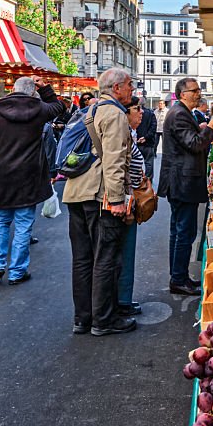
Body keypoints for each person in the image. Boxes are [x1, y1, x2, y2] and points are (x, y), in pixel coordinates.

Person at [62, 68, 138, 336]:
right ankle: (103, 320)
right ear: (116, 88)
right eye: (129, 85)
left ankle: (82, 318)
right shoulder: (115, 114)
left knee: (82, 260)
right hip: (99, 194)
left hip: (75, 192)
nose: (132, 89)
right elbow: (114, 160)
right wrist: (117, 199)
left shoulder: (90, 111)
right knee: (105, 257)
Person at [0, 76, 64, 286]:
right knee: (23, 224)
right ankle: (17, 271)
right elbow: (58, 106)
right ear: (32, 92)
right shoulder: (39, 110)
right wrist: (45, 89)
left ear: (12, 89)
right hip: (29, 175)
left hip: (1, 175)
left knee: (0, 220)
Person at [158, 77, 213, 295]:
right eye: (194, 90)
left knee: (179, 231)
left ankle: (179, 275)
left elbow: (189, 140)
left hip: (181, 181)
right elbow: (194, 144)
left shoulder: (182, 113)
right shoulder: (179, 115)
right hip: (183, 182)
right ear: (182, 94)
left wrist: (201, 128)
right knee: (184, 232)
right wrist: (210, 129)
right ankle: (178, 279)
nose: (199, 93)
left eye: (199, 90)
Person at [117, 97, 148, 317]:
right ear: (126, 113)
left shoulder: (130, 133)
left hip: (127, 198)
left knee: (125, 251)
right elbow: (124, 168)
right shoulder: (123, 133)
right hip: (124, 201)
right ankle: (121, 301)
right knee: (123, 251)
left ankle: (123, 298)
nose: (141, 112)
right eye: (137, 108)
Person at [136, 101, 158, 183]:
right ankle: (148, 182)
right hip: (148, 142)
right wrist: (146, 137)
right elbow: (153, 126)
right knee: (149, 163)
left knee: (136, 163)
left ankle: (138, 181)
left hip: (136, 142)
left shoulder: (133, 114)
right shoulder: (150, 113)